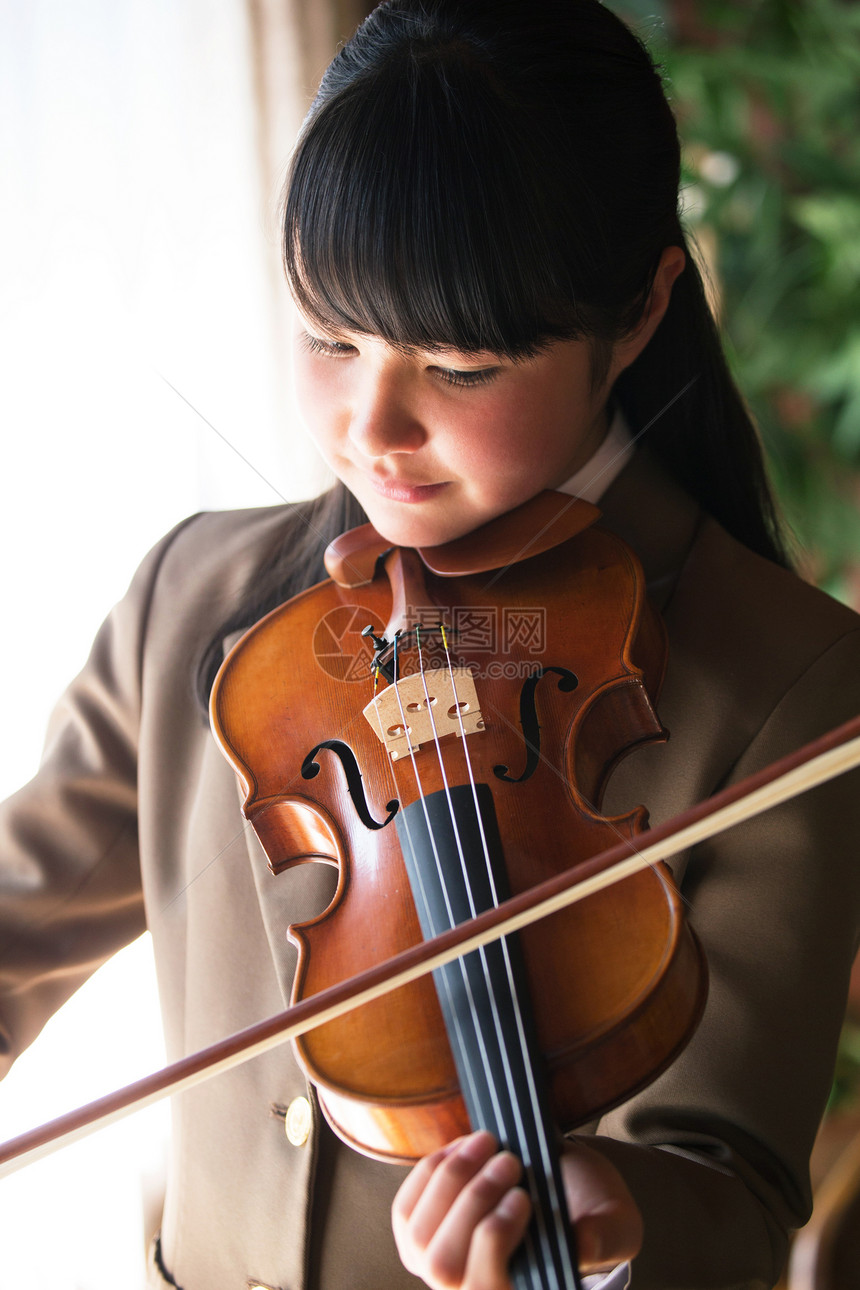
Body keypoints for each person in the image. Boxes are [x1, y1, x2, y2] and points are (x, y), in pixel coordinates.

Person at [1, 1, 859, 1288]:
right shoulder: (197, 595)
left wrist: (613, 1219)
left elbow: (733, 1194)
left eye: (455, 368)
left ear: (634, 313)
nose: (370, 425)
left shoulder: (790, 681)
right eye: (328, 339)